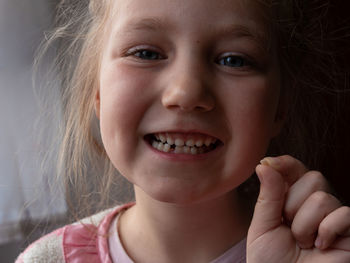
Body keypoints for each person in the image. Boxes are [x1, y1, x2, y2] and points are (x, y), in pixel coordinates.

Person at [16, 0, 350, 262]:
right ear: (98, 93)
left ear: (280, 106)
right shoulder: (45, 260)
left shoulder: (316, 254)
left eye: (233, 60)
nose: (186, 92)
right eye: (145, 53)